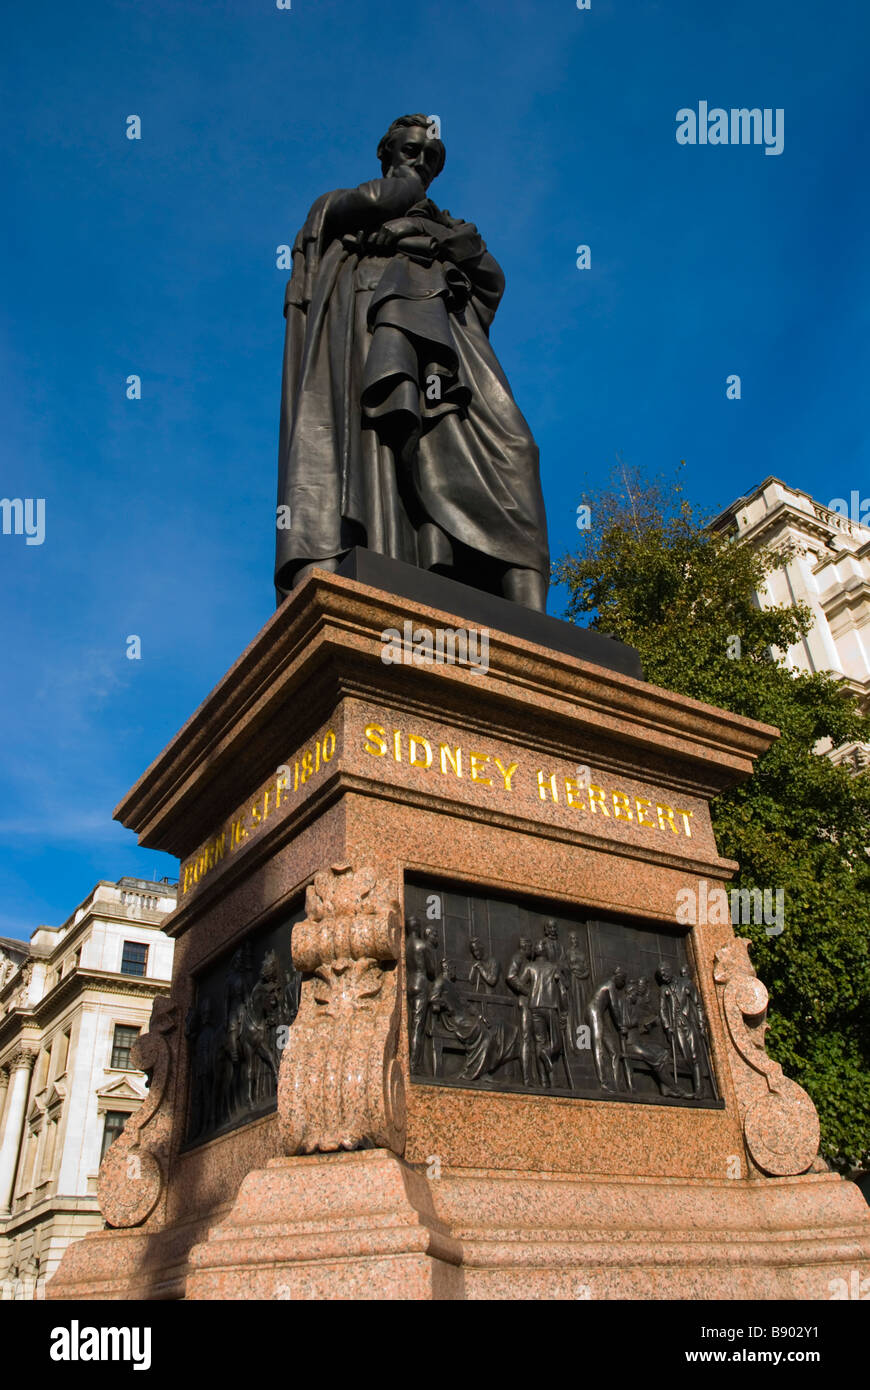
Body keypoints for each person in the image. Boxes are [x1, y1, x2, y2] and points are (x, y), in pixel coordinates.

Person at [275, 114, 550, 609]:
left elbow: (491, 277)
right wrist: (406, 214)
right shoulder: (339, 207)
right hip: (372, 329)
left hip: (449, 345)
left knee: (517, 450)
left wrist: (424, 232)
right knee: (382, 446)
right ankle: (382, 566)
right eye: (410, 150)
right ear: (386, 152)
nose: (421, 160)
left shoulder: (451, 228)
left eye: (430, 155)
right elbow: (369, 205)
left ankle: (532, 628)